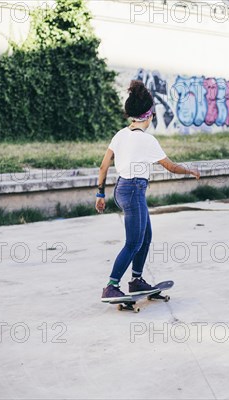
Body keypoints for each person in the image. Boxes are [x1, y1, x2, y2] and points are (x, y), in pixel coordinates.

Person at [97, 80, 200, 302]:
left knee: (145, 237)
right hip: (133, 190)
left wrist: (100, 194)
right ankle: (111, 286)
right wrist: (190, 170)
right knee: (133, 242)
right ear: (150, 115)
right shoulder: (147, 140)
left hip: (121, 189)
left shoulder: (120, 135)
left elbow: (104, 166)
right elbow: (171, 167)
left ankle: (136, 281)